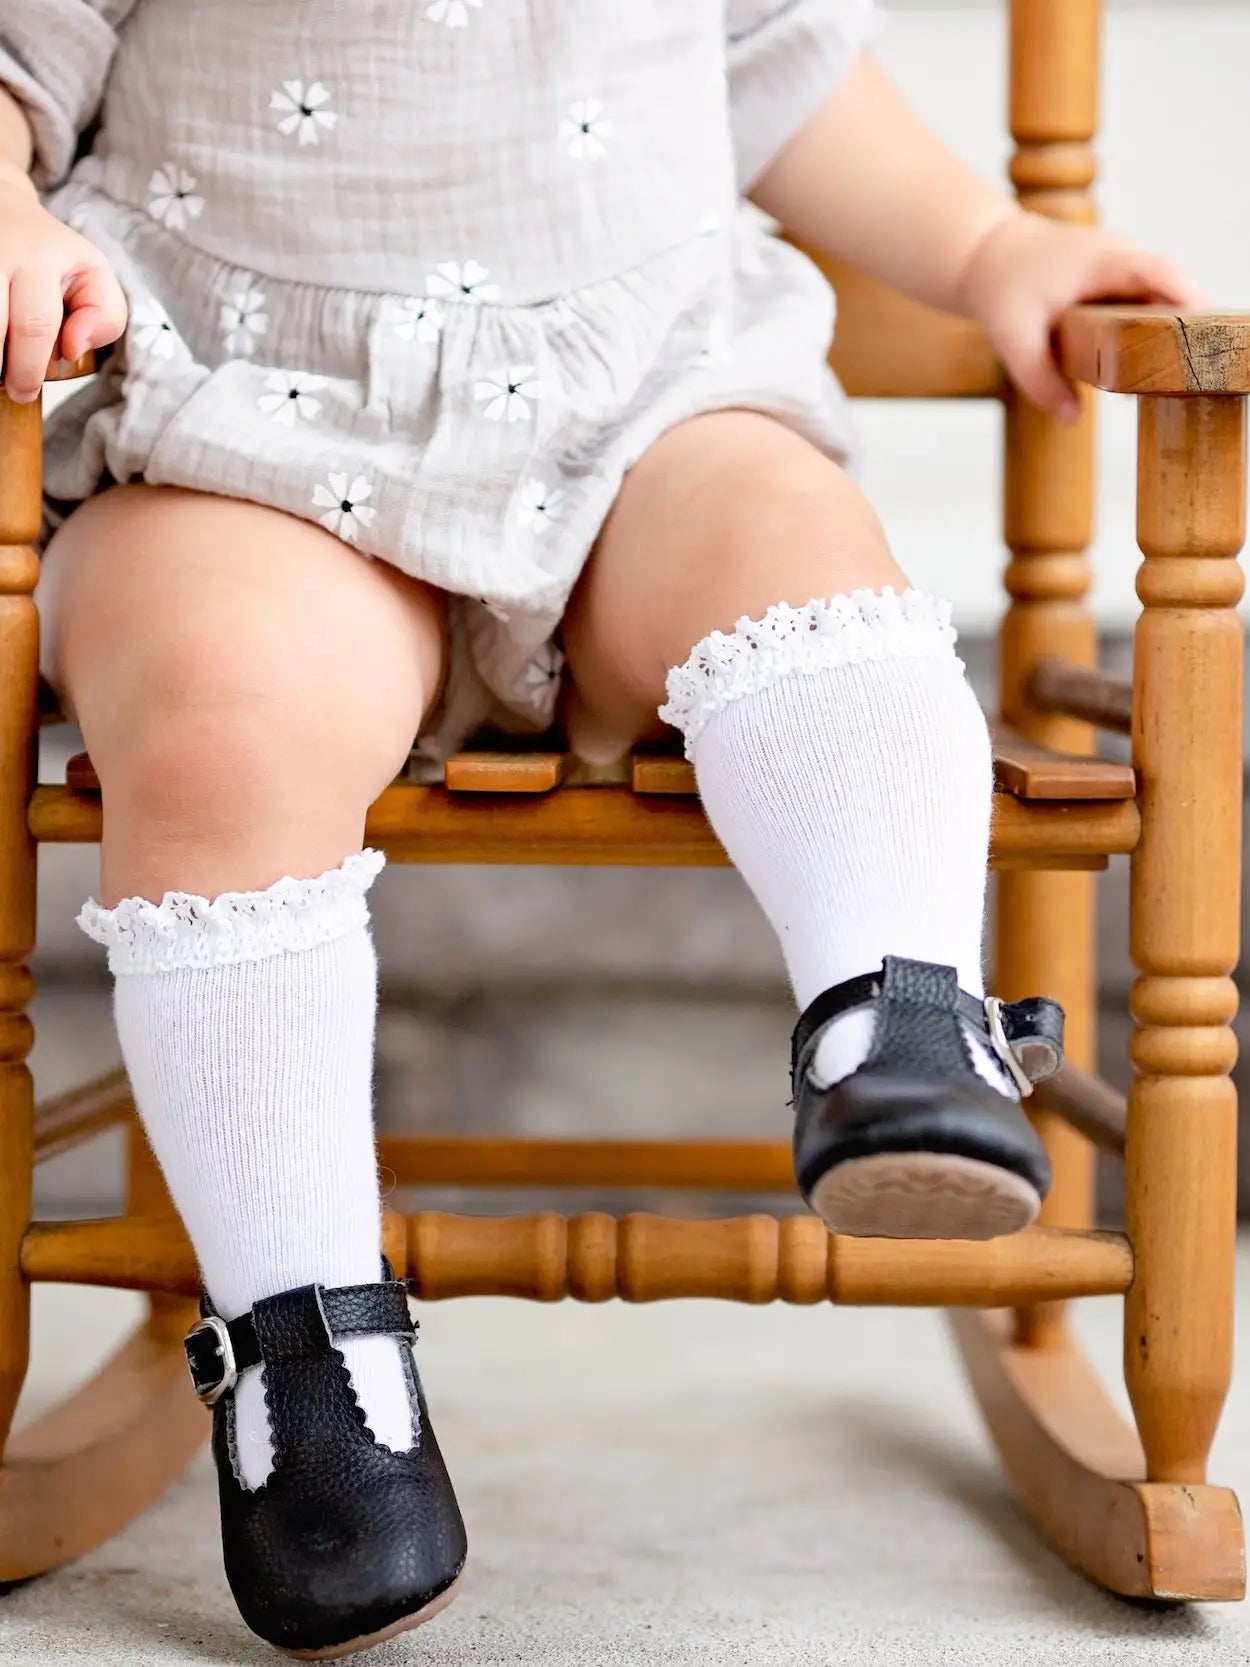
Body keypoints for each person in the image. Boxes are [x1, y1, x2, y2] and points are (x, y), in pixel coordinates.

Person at [0, 1, 1204, 1656]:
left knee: (793, 556)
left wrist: (990, 245)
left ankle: (894, 1018)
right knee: (217, 716)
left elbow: (775, 64)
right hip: (243, 423)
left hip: (643, 401)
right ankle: (310, 1365)